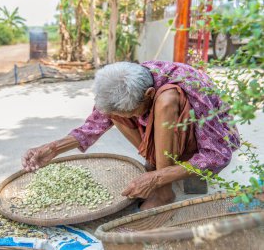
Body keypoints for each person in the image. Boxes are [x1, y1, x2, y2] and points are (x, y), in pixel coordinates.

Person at [21, 61, 240, 210]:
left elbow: (217, 154)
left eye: (132, 113)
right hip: (166, 138)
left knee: (167, 100)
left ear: (149, 94)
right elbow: (94, 124)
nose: (127, 117)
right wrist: (53, 148)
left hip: (193, 141)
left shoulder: (192, 87)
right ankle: (157, 164)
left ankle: (163, 190)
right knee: (112, 113)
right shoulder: (124, 84)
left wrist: (157, 178)